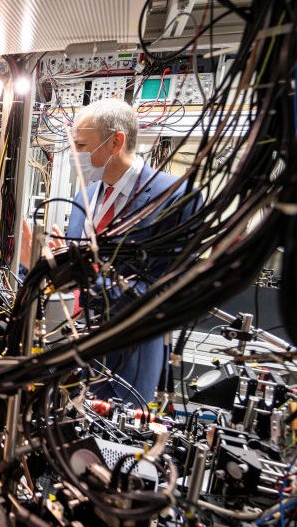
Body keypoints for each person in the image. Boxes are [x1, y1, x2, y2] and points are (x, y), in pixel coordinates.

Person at [64, 98, 197, 404]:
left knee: (122, 443)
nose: (76, 155)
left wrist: (93, 282)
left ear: (116, 142)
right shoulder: (83, 198)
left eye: (82, 146)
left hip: (133, 354)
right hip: (78, 348)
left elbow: (174, 288)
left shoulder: (174, 197)